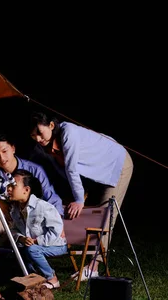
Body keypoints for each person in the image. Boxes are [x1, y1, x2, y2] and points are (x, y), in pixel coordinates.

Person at [29, 110, 134, 278]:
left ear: (51, 125)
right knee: (90, 215)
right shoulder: (47, 147)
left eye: (40, 133)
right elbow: (63, 171)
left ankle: (93, 268)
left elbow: (71, 168)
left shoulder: (68, 133)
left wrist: (79, 199)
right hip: (96, 173)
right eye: (34, 136)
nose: (39, 140)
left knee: (106, 216)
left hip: (117, 164)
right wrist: (78, 194)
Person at [0, 131, 65, 289]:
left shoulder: (34, 170)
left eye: (4, 151)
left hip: (30, 222)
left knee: (16, 238)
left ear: (13, 148)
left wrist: (59, 223)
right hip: (6, 218)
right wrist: (0, 202)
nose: (1, 158)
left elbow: (52, 198)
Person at [7, 168, 68, 290]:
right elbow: (12, 229)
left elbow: (56, 230)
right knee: (20, 249)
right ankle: (33, 277)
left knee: (31, 250)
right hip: (31, 245)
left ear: (26, 190)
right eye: (8, 185)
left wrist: (36, 241)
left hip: (55, 245)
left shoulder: (43, 206)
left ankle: (52, 278)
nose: (9, 189)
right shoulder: (15, 209)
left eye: (13, 185)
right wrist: (21, 238)